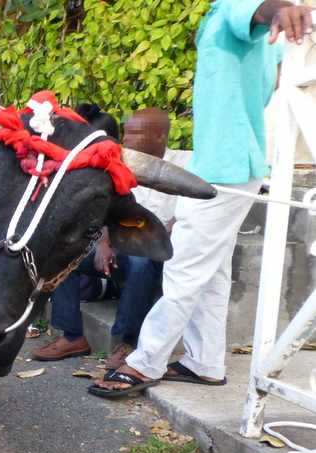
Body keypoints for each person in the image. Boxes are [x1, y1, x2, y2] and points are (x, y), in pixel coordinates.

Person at [90, 0, 315, 398]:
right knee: (212, 272)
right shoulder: (240, 24)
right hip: (235, 159)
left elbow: (259, 12)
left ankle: (145, 363)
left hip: (223, 163)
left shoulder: (234, 8)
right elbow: (274, 72)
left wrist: (278, 9)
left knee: (182, 266)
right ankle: (205, 363)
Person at [34, 108, 175, 367]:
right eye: (127, 132)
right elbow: (108, 208)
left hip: (156, 253)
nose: (127, 139)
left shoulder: (183, 164)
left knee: (141, 261)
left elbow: (188, 218)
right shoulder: (120, 161)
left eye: (135, 133)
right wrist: (103, 243)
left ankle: (126, 341)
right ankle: (72, 336)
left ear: (158, 136)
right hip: (121, 246)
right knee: (65, 254)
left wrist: (160, 230)